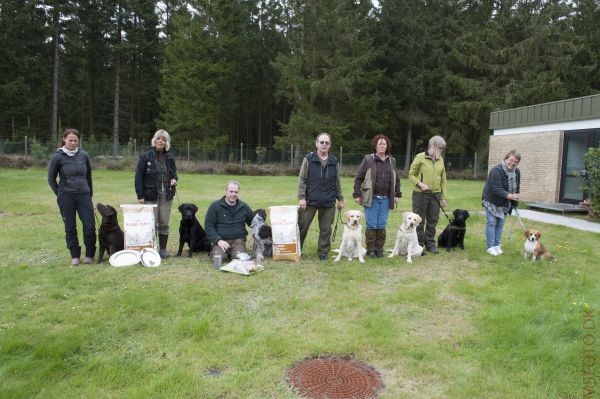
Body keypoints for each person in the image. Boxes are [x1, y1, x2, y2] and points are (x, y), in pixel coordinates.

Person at [48, 128, 96, 266]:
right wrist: (60, 194)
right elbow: (51, 179)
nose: (73, 143)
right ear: (64, 139)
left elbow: (89, 177)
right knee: (70, 227)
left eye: (76, 140)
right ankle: (74, 255)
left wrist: (89, 194)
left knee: (89, 225)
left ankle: (89, 254)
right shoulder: (57, 157)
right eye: (70, 140)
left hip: (84, 195)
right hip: (66, 196)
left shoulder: (84, 155)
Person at [297, 133, 345, 260]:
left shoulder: (334, 161)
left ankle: (323, 253)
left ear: (330, 145)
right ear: (316, 143)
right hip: (309, 200)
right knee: (302, 227)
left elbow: (337, 181)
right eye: (322, 142)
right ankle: (297, 249)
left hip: (328, 201)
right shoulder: (308, 159)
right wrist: (301, 197)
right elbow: (302, 180)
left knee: (325, 229)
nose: (324, 145)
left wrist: (340, 198)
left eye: (327, 143)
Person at [353, 134, 401, 258]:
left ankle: (379, 250)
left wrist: (397, 194)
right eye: (379, 143)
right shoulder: (368, 159)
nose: (381, 146)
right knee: (371, 224)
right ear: (375, 145)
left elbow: (397, 179)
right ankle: (371, 250)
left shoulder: (392, 161)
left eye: (384, 144)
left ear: (387, 146)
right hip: (371, 197)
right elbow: (359, 177)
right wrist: (357, 193)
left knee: (381, 224)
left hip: (386, 198)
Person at [135, 129, 178, 258]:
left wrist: (174, 179)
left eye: (163, 139)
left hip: (166, 194)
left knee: (164, 223)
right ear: (154, 140)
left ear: (166, 142)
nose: (160, 141)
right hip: (150, 194)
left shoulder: (170, 157)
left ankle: (163, 250)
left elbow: (174, 173)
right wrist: (140, 195)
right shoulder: (145, 156)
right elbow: (138, 177)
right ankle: (151, 249)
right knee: (151, 223)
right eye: (158, 139)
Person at [408, 135, 448, 254]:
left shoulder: (441, 160)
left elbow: (443, 180)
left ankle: (430, 243)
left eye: (442, 149)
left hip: (435, 194)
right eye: (439, 148)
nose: (440, 151)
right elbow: (411, 174)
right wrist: (420, 184)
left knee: (433, 220)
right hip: (420, 194)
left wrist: (443, 196)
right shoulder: (420, 157)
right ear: (432, 146)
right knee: (419, 220)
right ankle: (419, 245)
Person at [482, 149, 521, 256]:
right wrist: (510, 196)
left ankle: (496, 245)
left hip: (505, 202)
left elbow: (517, 188)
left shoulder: (517, 172)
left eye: (515, 162)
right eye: (511, 160)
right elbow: (496, 188)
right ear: (506, 158)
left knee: (500, 224)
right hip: (492, 200)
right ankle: (490, 247)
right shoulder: (496, 170)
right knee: (492, 222)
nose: (512, 163)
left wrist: (515, 203)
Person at [204, 181, 254, 261]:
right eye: (231, 191)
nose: (233, 194)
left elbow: (253, 223)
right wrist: (218, 240)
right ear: (226, 191)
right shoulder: (215, 206)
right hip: (221, 240)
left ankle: (235, 252)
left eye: (236, 192)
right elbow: (209, 226)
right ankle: (216, 250)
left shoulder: (244, 207)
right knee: (220, 258)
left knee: (240, 259)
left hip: (238, 240)